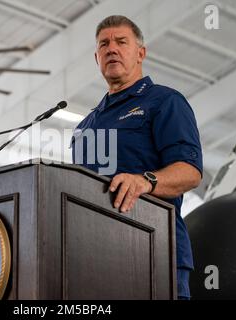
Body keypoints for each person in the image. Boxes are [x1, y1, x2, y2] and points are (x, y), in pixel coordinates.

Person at [71, 15, 203, 300]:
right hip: (94, 261)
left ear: (140, 53)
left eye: (121, 42)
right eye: (104, 44)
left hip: (156, 253)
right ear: (97, 58)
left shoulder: (165, 102)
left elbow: (190, 171)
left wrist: (145, 181)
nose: (112, 49)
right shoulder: (84, 127)